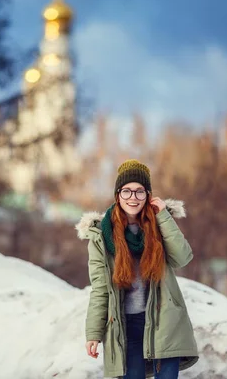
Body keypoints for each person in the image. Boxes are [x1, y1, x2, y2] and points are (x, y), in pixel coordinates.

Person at [76, 159, 199, 379]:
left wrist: (163, 215)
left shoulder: (160, 224)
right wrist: (93, 333)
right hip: (127, 327)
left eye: (139, 192)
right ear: (118, 195)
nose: (133, 198)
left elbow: (183, 257)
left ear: (148, 195)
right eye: (127, 191)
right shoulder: (101, 237)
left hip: (164, 320)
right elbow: (100, 289)